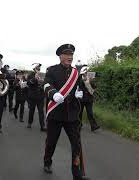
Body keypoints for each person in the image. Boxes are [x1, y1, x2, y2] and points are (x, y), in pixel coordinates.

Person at [43, 44, 91, 180]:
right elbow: (46, 84)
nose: (70, 57)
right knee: (51, 141)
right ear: (61, 56)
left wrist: (79, 93)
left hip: (72, 115)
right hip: (56, 113)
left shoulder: (76, 72)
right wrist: (53, 94)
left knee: (76, 145)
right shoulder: (52, 70)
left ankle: (77, 174)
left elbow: (78, 87)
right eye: (67, 55)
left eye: (71, 55)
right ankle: (47, 161)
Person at [79, 66, 100, 132]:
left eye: (87, 72)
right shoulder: (79, 78)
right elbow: (78, 85)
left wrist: (92, 81)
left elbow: (94, 87)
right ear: (83, 73)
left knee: (90, 113)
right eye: (86, 72)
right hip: (81, 98)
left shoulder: (90, 78)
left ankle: (93, 126)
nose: (87, 73)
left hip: (89, 98)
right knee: (80, 112)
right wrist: (83, 81)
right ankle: (79, 124)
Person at [26, 63, 46, 132]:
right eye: (37, 68)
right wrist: (35, 78)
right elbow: (28, 83)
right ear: (34, 68)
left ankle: (42, 126)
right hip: (33, 96)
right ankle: (29, 122)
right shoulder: (30, 75)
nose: (38, 69)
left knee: (41, 112)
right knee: (32, 111)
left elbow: (45, 83)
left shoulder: (42, 74)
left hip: (40, 96)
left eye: (39, 68)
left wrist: (42, 82)